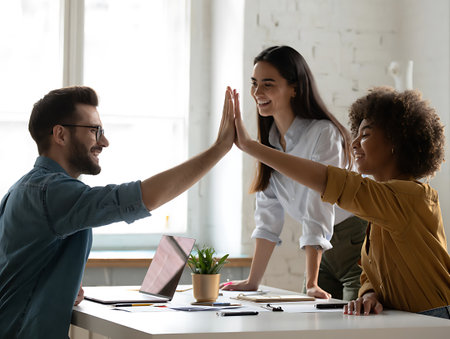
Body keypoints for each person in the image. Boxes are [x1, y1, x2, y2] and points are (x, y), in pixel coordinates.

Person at [0, 85, 235, 338]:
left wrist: (57, 288)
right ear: (60, 134)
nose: (104, 141)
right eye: (94, 130)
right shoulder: (53, 192)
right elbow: (145, 197)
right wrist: (220, 148)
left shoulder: (23, 189)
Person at [232, 85, 450, 318]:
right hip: (405, 320)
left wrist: (251, 146)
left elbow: (332, 181)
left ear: (395, 142)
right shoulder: (380, 207)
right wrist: (369, 295)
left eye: (365, 135)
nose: (354, 143)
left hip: (434, 318)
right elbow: (369, 275)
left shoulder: (411, 197)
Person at [221, 46, 367, 300]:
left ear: (294, 88)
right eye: (254, 83)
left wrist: (311, 281)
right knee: (312, 323)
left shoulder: (324, 133)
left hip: (357, 244)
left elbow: (319, 204)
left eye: (268, 84)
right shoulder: (271, 141)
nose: (257, 93)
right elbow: (268, 216)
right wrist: (252, 282)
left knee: (355, 327)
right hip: (321, 248)